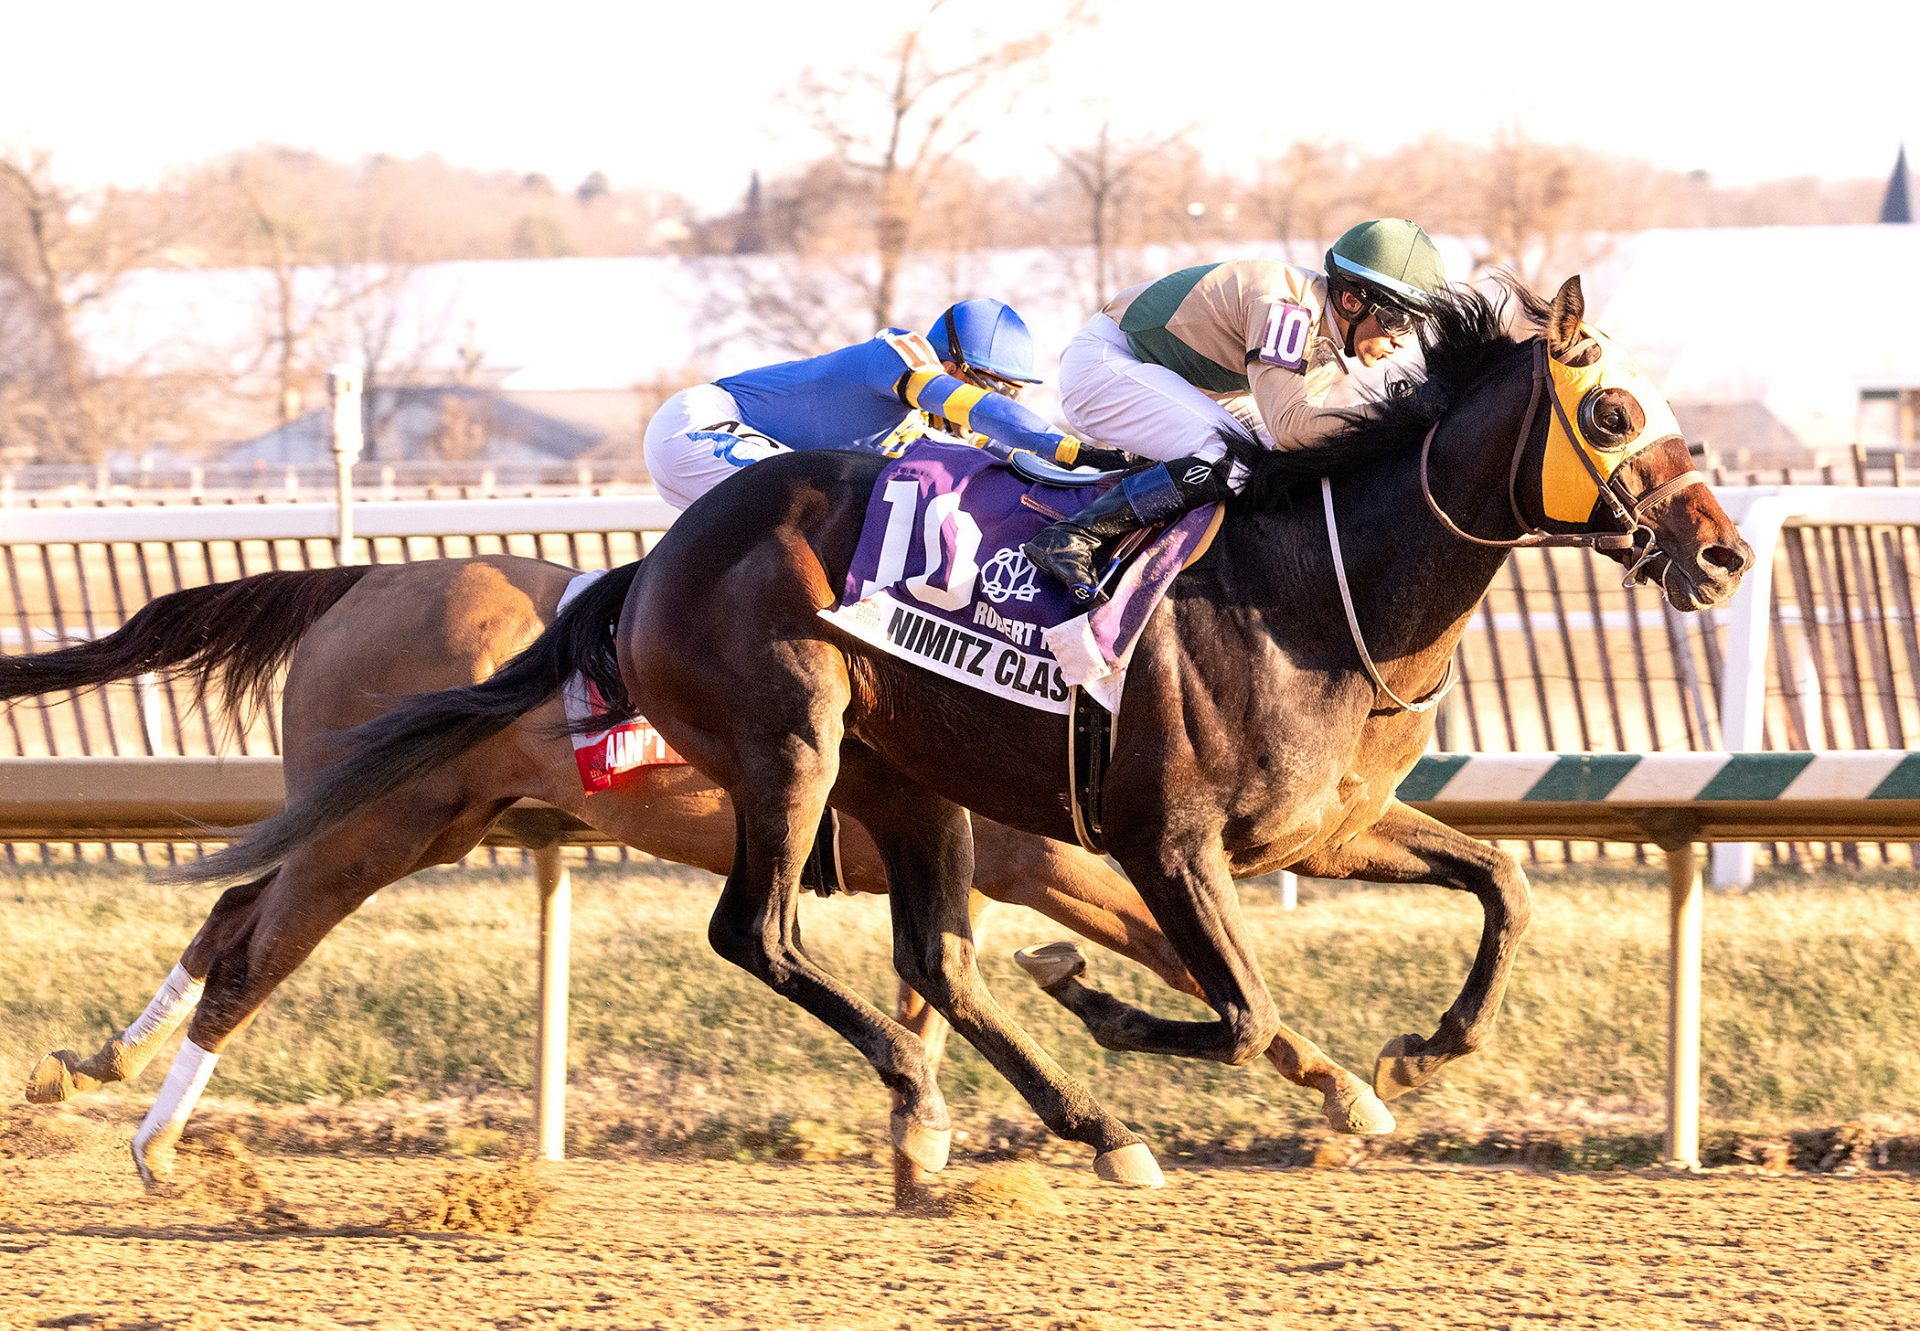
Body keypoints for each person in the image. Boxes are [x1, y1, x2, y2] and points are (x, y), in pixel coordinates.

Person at [1023, 219, 1450, 600]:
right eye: (1399, 321)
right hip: (1104, 365)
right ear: (1353, 301)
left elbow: (1293, 446)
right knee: (1229, 456)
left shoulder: (1328, 346)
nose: (1402, 339)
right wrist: (1397, 415)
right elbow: (1291, 426)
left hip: (1178, 380)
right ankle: (1072, 536)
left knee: (1269, 463)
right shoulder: (1286, 310)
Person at [643, 298, 1100, 510]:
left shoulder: (927, 426)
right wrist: (1074, 448)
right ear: (951, 366)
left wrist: (1104, 477)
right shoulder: (899, 355)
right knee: (816, 506)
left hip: (733, 451)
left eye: (1012, 393)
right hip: (701, 422)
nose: (999, 400)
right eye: (993, 386)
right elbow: (988, 415)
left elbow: (1016, 460)